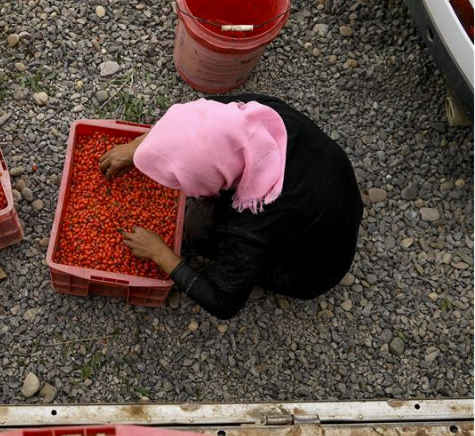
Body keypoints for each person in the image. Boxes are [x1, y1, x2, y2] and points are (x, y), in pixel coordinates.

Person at [99, 94, 363, 320]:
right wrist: (139, 146)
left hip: (312, 269)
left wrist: (158, 253)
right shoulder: (255, 115)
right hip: (329, 196)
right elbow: (199, 118)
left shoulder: (252, 222)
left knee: (199, 229)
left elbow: (225, 304)